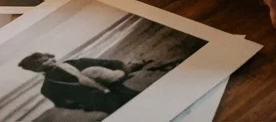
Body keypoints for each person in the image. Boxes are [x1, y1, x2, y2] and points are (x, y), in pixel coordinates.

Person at [17, 52, 169, 114]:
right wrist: (86, 104)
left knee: (146, 107)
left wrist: (120, 73)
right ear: (36, 70)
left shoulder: (75, 63)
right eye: (42, 63)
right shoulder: (48, 87)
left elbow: (108, 63)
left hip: (112, 92)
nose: (49, 62)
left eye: (47, 59)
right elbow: (62, 103)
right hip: (104, 100)